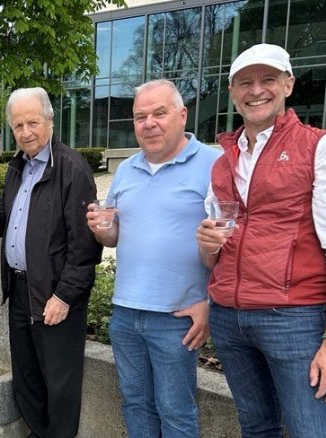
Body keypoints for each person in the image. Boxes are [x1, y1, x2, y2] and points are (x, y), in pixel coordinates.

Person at [196, 43, 326, 437]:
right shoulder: (222, 161)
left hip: (294, 319)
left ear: (288, 85)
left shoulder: (321, 147)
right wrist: (207, 246)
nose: (256, 90)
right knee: (256, 428)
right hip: (229, 317)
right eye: (245, 82)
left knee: (312, 432)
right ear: (232, 92)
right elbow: (211, 260)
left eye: (268, 79)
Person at [86, 80, 220, 437]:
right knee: (135, 403)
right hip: (125, 313)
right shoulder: (127, 169)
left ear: (182, 114)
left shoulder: (214, 164)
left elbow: (233, 241)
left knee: (176, 412)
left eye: (159, 113)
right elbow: (115, 235)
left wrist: (209, 301)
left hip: (177, 317)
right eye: (140, 116)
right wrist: (101, 230)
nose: (149, 123)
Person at [0, 87, 102, 437]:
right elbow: (14, 228)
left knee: (59, 382)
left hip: (55, 293)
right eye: (18, 125)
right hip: (19, 288)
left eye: (33, 122)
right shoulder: (17, 167)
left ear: (50, 121)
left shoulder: (72, 168)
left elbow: (85, 246)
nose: (26, 132)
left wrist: (65, 296)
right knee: (27, 376)